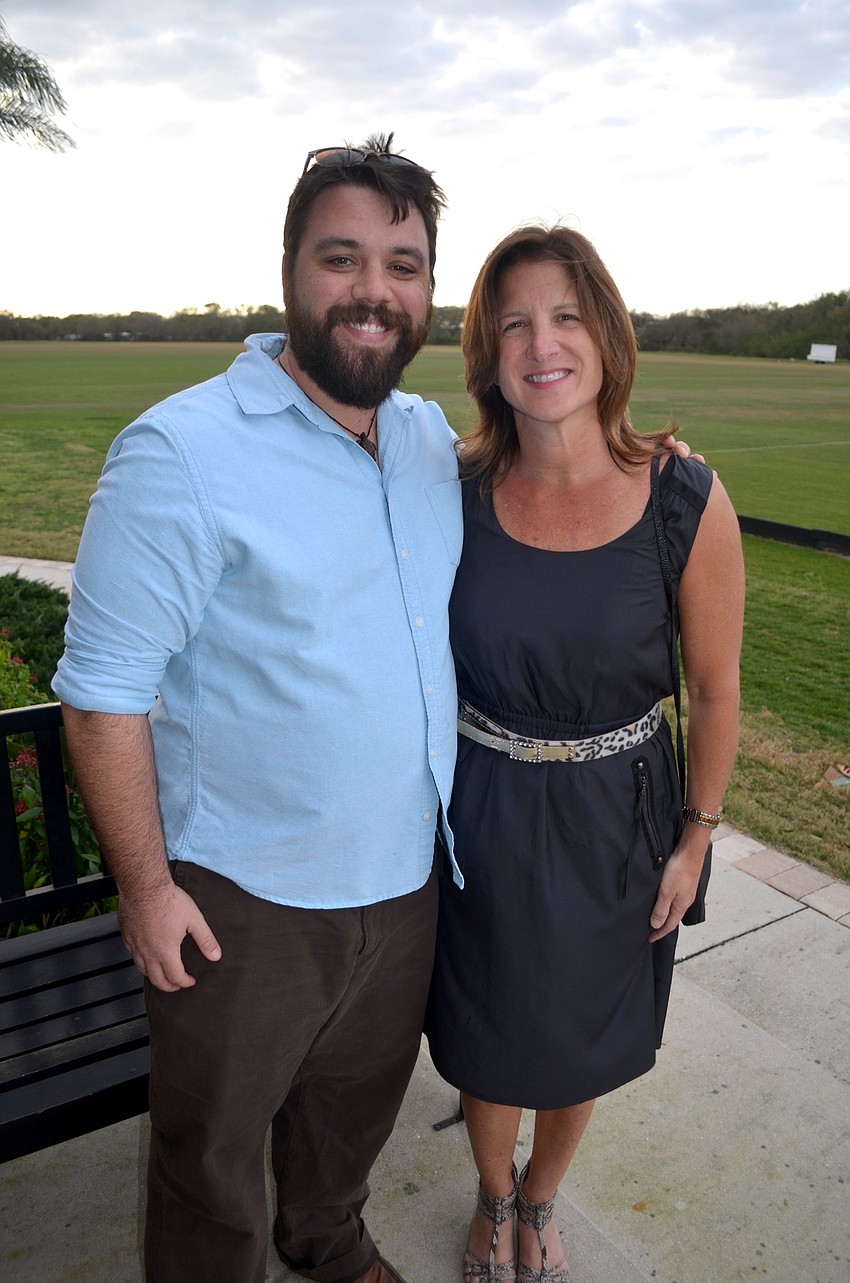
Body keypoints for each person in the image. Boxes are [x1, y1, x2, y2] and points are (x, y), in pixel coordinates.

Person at [52, 135, 461, 1283]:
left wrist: (639, 454)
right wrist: (147, 887)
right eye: (342, 257)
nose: (374, 290)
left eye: (403, 263)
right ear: (288, 268)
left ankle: (326, 1241)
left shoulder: (426, 441)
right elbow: (102, 693)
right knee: (211, 1155)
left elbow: (549, 466)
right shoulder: (182, 452)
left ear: (427, 288)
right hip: (247, 902)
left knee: (350, 1116)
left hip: (405, 875)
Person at [424, 225, 745, 1283]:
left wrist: (694, 839)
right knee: (483, 1035)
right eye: (512, 321)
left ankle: (543, 1198)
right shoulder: (448, 489)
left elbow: (711, 689)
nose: (541, 341)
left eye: (564, 315)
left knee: (577, 1036)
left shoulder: (684, 501)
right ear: (486, 351)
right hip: (484, 815)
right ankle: (491, 1191)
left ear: (605, 335)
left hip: (623, 816)